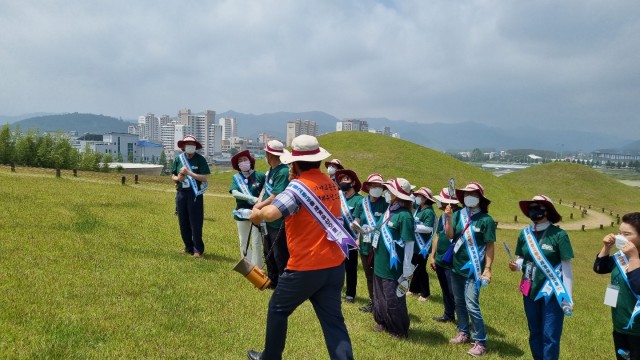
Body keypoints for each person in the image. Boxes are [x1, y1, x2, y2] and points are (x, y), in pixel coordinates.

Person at [247, 135, 355, 360]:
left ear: (294, 163)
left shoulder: (297, 188)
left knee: (278, 310)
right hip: (334, 264)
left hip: (305, 267)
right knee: (334, 323)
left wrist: (257, 214)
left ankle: (270, 357)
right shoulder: (330, 183)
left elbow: (272, 213)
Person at [509, 195, 574, 360]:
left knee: (550, 335)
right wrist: (516, 265)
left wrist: (568, 296)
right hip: (529, 290)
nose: (533, 211)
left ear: (547, 211)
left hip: (553, 293)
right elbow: (523, 259)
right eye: (531, 207)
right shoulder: (525, 234)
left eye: (538, 207)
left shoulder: (559, 235)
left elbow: (566, 266)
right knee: (535, 331)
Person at [444, 182, 495, 357]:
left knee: (472, 304)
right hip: (457, 267)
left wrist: (488, 268)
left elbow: (489, 246)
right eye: (466, 194)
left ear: (480, 198)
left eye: (472, 194)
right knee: (459, 302)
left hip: (475, 270)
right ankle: (463, 332)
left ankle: (480, 341)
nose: (468, 197)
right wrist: (449, 219)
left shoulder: (486, 220)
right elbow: (450, 235)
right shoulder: (459, 214)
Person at [372, 178, 416, 339]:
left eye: (389, 191)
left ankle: (399, 329)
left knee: (393, 298)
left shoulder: (404, 216)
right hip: (380, 261)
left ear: (396, 195)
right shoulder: (389, 210)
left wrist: (406, 268)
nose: (386, 193)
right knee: (379, 296)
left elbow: (409, 243)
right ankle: (382, 321)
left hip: (394, 266)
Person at [594, 212, 640, 360]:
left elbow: (637, 286)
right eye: (619, 233)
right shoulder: (620, 256)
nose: (620, 238)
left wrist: (634, 257)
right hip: (620, 324)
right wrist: (607, 248)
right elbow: (599, 268)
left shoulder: (632, 257)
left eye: (627, 234)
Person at [253, 140, 290, 288]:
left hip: (278, 219)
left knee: (279, 253)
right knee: (268, 250)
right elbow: (265, 190)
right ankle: (272, 279)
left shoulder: (283, 171)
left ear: (270, 154)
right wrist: (259, 204)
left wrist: (259, 207)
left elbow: (275, 195)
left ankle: (283, 283)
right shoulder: (271, 170)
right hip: (267, 218)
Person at [351, 173, 388, 313]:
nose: (376, 189)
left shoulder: (385, 203)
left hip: (380, 246)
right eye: (374, 186)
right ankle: (373, 301)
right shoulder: (362, 202)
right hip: (365, 245)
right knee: (368, 274)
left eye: (379, 186)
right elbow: (357, 219)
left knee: (379, 275)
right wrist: (355, 225)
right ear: (369, 187)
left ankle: (382, 302)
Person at [171, 135, 210, 258]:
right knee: (183, 221)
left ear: (196, 146)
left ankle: (198, 249)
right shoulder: (178, 159)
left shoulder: (200, 159)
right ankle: (188, 247)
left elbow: (204, 178)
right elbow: (172, 176)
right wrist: (178, 178)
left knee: (196, 222)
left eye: (192, 144)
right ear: (183, 146)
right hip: (181, 193)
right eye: (187, 144)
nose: (190, 146)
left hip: (195, 194)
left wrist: (189, 173)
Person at [229, 150, 265, 268]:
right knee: (243, 240)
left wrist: (258, 202)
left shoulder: (260, 176)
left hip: (256, 213)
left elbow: (266, 191)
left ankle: (258, 267)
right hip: (241, 213)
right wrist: (252, 198)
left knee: (256, 241)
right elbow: (234, 192)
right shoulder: (236, 178)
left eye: (245, 159)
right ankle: (247, 267)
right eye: (240, 161)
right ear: (237, 165)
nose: (243, 162)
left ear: (250, 161)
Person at [429, 187, 460, 323]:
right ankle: (448, 314)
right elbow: (437, 235)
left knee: (454, 291)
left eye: (441, 200)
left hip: (452, 259)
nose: (439, 203)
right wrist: (433, 255)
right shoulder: (442, 216)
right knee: (445, 288)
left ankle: (461, 318)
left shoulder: (459, 215)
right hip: (440, 258)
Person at [335, 169, 363, 303]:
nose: (342, 182)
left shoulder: (359, 200)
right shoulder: (339, 197)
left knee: (350, 268)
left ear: (353, 182)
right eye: (341, 180)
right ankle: (336, 289)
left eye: (345, 179)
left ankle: (350, 294)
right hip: (338, 237)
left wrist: (358, 239)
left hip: (351, 238)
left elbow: (359, 221)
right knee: (336, 266)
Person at [408, 187, 437, 302]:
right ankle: (414, 289)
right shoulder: (418, 209)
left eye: (419, 196)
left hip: (423, 246)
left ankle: (425, 292)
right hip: (415, 245)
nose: (417, 198)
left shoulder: (429, 212)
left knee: (421, 269)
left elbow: (428, 228)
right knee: (415, 267)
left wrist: (413, 227)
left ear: (425, 199)